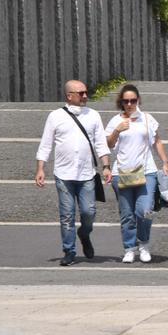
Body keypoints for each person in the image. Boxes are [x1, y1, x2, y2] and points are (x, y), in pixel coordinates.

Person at [35, 80, 112, 266]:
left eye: (86, 92)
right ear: (69, 96)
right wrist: (40, 168)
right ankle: (69, 251)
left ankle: (84, 234)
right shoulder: (55, 116)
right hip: (63, 174)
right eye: (81, 93)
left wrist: (106, 166)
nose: (85, 96)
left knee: (88, 212)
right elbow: (46, 144)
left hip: (86, 174)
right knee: (67, 215)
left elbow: (101, 143)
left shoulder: (93, 115)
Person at [105, 84, 168, 264]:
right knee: (127, 214)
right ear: (121, 102)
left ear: (138, 100)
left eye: (133, 100)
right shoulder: (114, 121)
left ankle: (144, 244)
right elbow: (108, 145)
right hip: (121, 172)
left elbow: (157, 141)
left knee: (145, 210)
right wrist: (117, 130)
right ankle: (129, 248)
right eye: (126, 101)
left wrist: (164, 162)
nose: (130, 104)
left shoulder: (147, 119)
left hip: (146, 171)